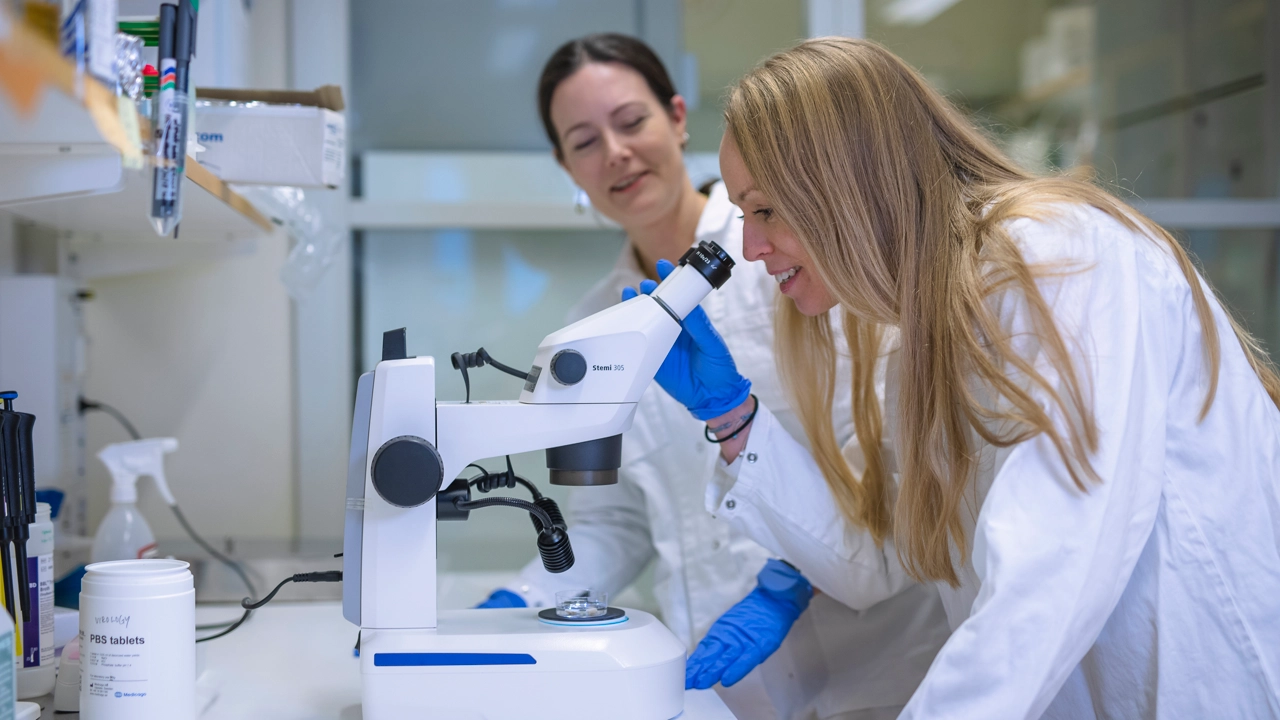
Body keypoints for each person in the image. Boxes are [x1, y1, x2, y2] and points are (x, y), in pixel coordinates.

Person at [639, 36, 1280, 719]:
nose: (751, 248)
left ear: (848, 182)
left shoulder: (1054, 259)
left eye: (764, 209)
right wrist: (734, 418)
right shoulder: (925, 331)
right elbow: (879, 553)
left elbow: (1047, 572)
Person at [473, 34, 951, 720]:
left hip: (868, 663)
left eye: (631, 121)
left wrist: (788, 581)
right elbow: (616, 522)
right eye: (584, 141)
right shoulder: (594, 326)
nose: (615, 152)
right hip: (715, 675)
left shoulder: (797, 253)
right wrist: (518, 604)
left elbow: (885, 456)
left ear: (676, 116)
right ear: (565, 165)